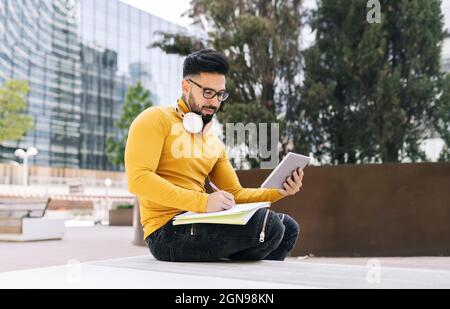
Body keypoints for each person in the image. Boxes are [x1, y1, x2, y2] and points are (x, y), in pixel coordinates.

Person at [125, 49, 304, 262]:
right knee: (269, 226)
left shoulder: (213, 142)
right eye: (208, 92)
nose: (215, 102)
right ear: (186, 86)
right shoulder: (154, 119)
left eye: (220, 94)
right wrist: (203, 202)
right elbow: (139, 180)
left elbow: (235, 193)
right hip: (166, 232)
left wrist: (279, 190)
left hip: (198, 220)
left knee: (287, 227)